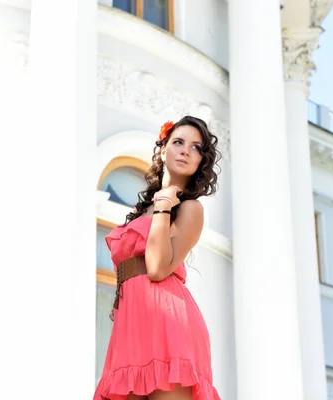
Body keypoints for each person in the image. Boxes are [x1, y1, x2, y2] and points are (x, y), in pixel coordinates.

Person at [93, 116, 222, 400]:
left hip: (169, 325)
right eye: (178, 142)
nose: (186, 150)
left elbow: (156, 267)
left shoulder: (189, 208)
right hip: (132, 325)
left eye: (197, 147)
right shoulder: (143, 211)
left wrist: (164, 204)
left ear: (201, 161)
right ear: (163, 150)